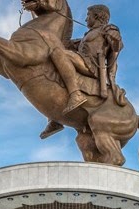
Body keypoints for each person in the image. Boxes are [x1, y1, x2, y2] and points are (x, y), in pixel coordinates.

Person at [40, 4, 126, 139]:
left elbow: (117, 47)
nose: (86, 19)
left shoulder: (107, 29)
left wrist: (116, 38)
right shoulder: (86, 37)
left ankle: (76, 95)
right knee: (54, 64)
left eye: (88, 16)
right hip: (82, 61)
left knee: (58, 54)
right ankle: (54, 118)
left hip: (93, 66)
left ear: (97, 16)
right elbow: (64, 43)